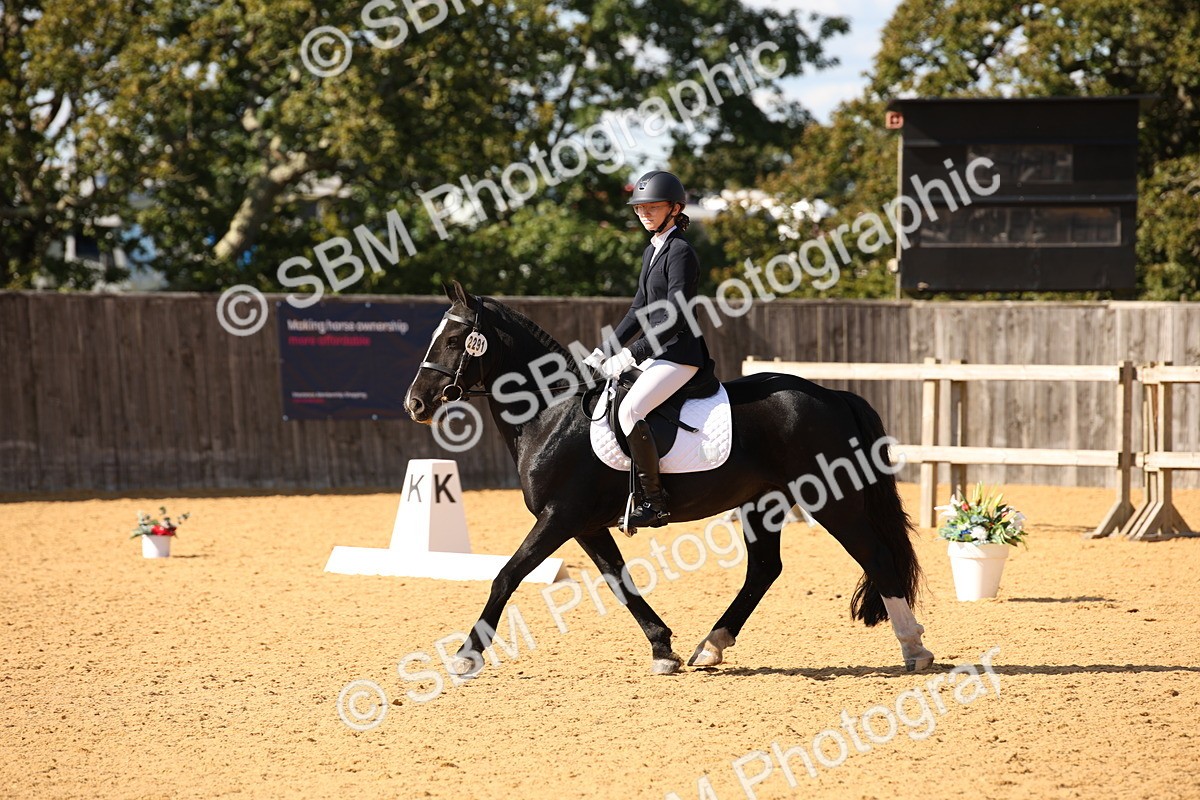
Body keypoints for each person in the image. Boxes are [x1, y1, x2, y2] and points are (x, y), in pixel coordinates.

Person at [584, 170, 712, 529]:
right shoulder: (653, 251)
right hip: (658, 354)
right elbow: (637, 310)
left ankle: (655, 502)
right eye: (640, 208)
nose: (645, 213)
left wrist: (631, 354)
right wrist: (604, 349)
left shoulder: (681, 252)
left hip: (680, 354)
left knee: (630, 411)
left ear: (675, 208)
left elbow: (674, 317)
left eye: (653, 207)